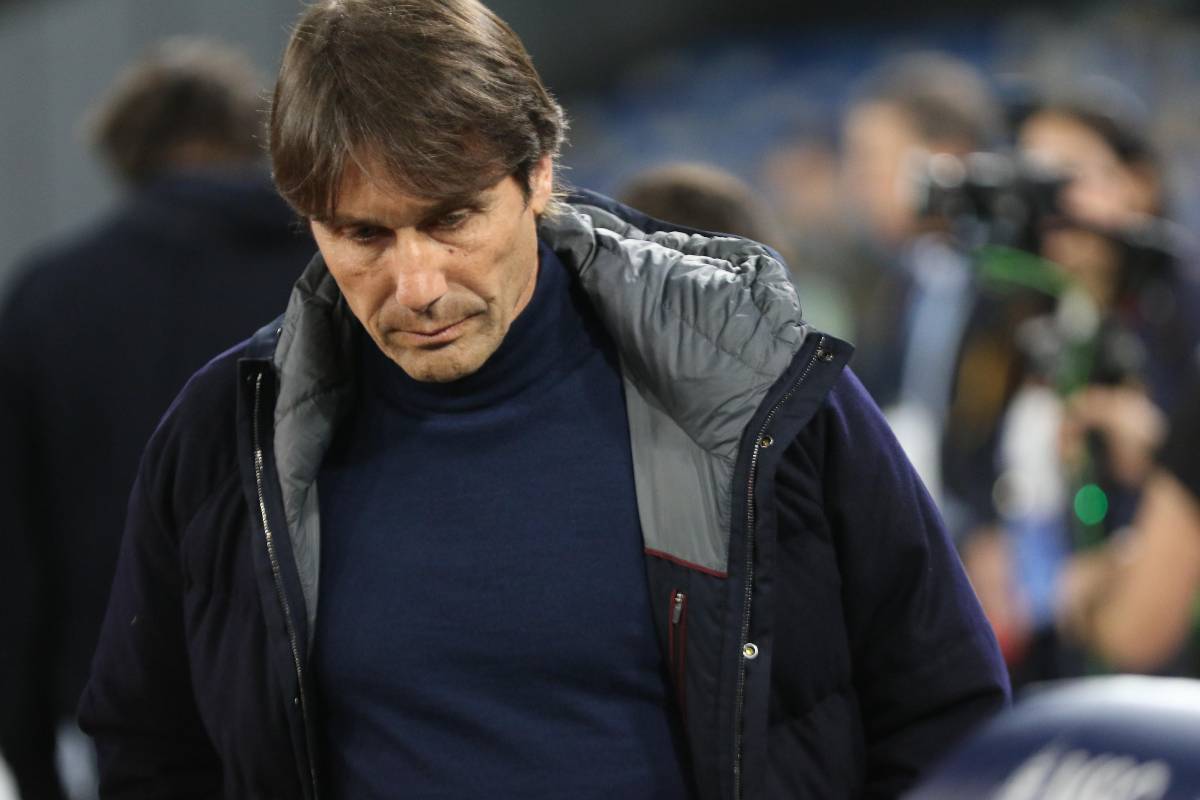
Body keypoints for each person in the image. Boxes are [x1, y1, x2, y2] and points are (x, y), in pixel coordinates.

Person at [78, 2, 1009, 798]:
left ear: (540, 174)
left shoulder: (755, 386)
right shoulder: (223, 438)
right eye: (362, 235)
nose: (417, 286)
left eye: (451, 219)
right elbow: (149, 752)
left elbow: (945, 710)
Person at [0, 39, 313, 800]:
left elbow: (16, 556)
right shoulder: (330, 276)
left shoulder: (48, 300)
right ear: (255, 139)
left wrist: (29, 753)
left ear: (126, 155)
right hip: (318, 698)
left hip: (113, 710)